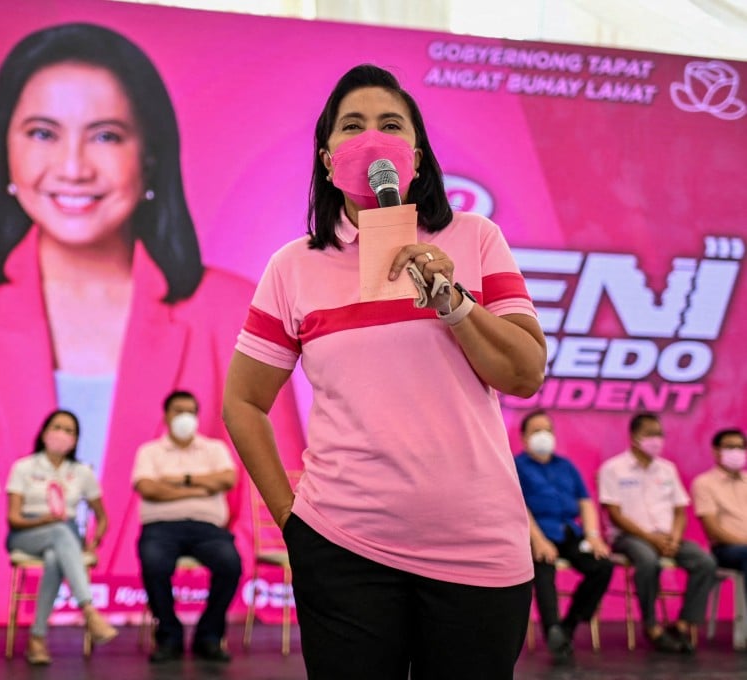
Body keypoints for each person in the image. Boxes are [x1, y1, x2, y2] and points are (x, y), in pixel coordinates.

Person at [0, 22, 304, 588]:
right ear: (6, 149)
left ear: (150, 155)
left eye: (105, 136)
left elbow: (282, 499)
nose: (73, 166)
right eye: (43, 133)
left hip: (165, 623)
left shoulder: (231, 308)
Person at [222, 64, 547, 679]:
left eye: (390, 125)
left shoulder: (474, 239)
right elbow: (242, 401)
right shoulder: (294, 267)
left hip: (477, 548)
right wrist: (294, 525)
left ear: (416, 158)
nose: (372, 140)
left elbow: (525, 373)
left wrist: (451, 298)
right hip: (343, 547)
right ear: (327, 159)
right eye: (352, 127)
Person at [133, 391, 241, 664]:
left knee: (230, 565)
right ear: (166, 415)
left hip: (208, 529)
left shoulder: (215, 449)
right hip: (160, 528)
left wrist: (174, 482)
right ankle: (169, 635)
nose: (185, 417)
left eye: (191, 411)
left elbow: (227, 479)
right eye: (179, 411)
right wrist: (201, 487)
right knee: (154, 565)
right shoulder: (150, 451)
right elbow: (147, 488)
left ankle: (209, 635)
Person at [5, 409, 118, 665]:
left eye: (70, 431)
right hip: (27, 532)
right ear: (44, 432)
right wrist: (46, 520)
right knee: (60, 533)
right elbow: (13, 518)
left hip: (65, 534)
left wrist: (95, 540)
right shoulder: (24, 467)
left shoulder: (81, 472)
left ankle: (37, 638)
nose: (62, 434)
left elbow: (102, 516)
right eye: (57, 427)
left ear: (76, 440)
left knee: (56, 555)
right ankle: (88, 610)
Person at [598, 412, 717, 653]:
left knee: (705, 562)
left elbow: (680, 511)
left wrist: (673, 538)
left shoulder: (667, 469)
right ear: (633, 436)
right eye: (650, 434)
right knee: (648, 560)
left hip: (666, 536)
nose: (656, 439)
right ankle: (652, 626)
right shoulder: (613, 468)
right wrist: (650, 538)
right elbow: (614, 513)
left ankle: (682, 625)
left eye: (659, 434)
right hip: (628, 537)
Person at [514, 410, 613, 664]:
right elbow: (518, 505)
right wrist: (537, 539)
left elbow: (585, 502)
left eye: (547, 430)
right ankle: (553, 631)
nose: (543, 435)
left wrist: (593, 536)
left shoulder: (566, 466)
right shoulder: (515, 466)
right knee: (543, 567)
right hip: (536, 534)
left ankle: (569, 625)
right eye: (536, 431)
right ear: (524, 437)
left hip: (569, 533)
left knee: (602, 565)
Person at [691, 428, 747, 614]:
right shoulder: (705, 483)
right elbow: (713, 530)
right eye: (730, 447)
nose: (736, 452)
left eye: (740, 447)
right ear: (716, 451)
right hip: (726, 549)